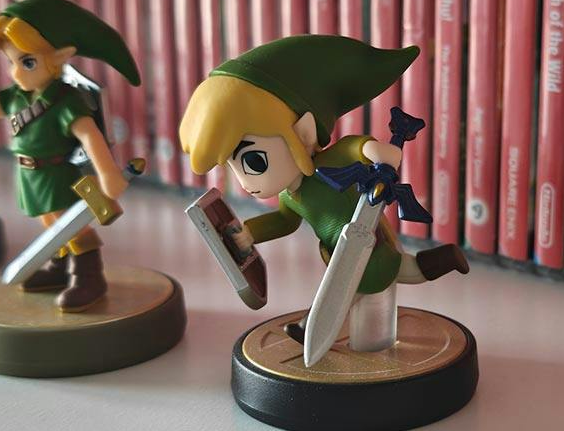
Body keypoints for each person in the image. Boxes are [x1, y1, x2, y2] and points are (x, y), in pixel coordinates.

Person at [178, 35, 468, 352]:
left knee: (362, 286)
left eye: (253, 161)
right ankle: (445, 258)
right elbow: (283, 222)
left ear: (303, 135)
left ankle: (311, 330)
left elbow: (353, 147)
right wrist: (249, 234)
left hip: (367, 252)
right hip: (341, 253)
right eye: (233, 166)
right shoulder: (290, 196)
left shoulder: (330, 166)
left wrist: (377, 152)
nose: (244, 182)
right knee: (399, 272)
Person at [0, 0, 138, 311]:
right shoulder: (20, 95)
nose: (16, 73)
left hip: (57, 174)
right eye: (11, 62)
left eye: (27, 62)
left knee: (70, 225)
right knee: (50, 223)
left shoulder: (65, 100)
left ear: (59, 58)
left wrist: (108, 173)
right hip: (30, 174)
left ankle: (88, 276)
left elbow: (89, 134)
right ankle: (60, 266)